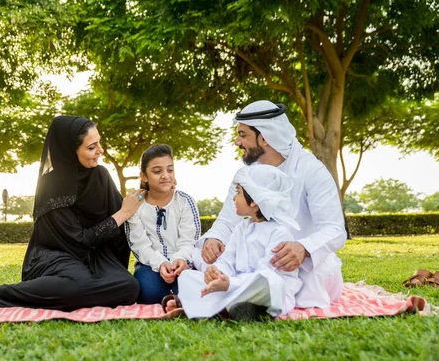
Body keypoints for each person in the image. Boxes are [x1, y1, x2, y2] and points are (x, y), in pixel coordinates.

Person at [0, 116, 143, 312]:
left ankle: (77, 292)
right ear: (71, 150)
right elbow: (79, 240)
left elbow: (122, 231)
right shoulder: (52, 185)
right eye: (92, 147)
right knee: (77, 284)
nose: (100, 150)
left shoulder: (101, 175)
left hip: (94, 255)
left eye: (99, 143)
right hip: (55, 256)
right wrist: (122, 214)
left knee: (128, 287)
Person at [194, 100, 346, 308]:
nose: (237, 142)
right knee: (204, 259)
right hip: (256, 261)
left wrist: (303, 248)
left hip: (298, 264)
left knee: (311, 280)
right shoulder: (245, 175)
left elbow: (335, 229)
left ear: (264, 138)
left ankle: (240, 296)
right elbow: (228, 219)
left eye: (242, 135)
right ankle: (244, 294)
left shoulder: (312, 170)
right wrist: (215, 238)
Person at [165, 164, 303, 320]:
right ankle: (232, 308)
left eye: (238, 192)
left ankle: (215, 307)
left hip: (264, 291)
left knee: (268, 281)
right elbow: (228, 260)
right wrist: (217, 272)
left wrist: (230, 284)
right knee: (188, 277)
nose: (233, 198)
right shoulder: (242, 227)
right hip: (234, 285)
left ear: (254, 200)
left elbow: (266, 272)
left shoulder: (279, 232)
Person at [125, 144, 201, 304]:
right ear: (144, 176)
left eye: (170, 170)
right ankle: (173, 298)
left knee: (194, 289)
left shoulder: (185, 201)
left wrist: (179, 259)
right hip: (149, 264)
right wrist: (160, 264)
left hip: (182, 263)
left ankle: (178, 298)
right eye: (157, 171)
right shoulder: (136, 205)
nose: (165, 175)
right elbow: (139, 245)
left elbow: (189, 240)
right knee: (150, 293)